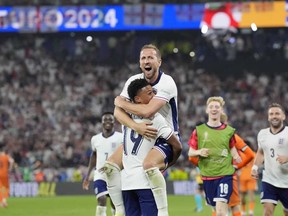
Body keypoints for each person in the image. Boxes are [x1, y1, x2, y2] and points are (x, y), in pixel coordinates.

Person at [102, 44, 182, 216]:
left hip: (164, 136)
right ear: (139, 63)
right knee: (109, 167)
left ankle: (163, 212)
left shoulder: (166, 82)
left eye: (151, 57)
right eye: (143, 58)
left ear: (159, 61)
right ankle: (119, 210)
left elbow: (147, 111)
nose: (147, 61)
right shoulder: (133, 81)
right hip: (139, 134)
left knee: (149, 164)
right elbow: (117, 112)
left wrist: (122, 102)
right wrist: (136, 126)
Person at [120, 78, 182, 216]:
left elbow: (118, 109)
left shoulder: (124, 118)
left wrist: (119, 101)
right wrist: (167, 164)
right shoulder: (155, 118)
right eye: (149, 93)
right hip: (145, 183)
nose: (154, 96)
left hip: (126, 184)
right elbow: (177, 146)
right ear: (138, 99)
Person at [189, 114, 255, 216]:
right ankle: (249, 211)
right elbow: (250, 154)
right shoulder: (232, 136)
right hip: (228, 175)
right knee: (234, 207)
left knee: (216, 208)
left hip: (210, 176)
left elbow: (191, 157)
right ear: (226, 123)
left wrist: (206, 167)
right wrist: (236, 167)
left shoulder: (205, 136)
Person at [188, 96, 242, 216]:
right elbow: (190, 152)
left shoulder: (229, 131)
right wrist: (199, 152)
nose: (214, 109)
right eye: (211, 107)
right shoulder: (199, 131)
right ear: (207, 110)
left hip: (225, 175)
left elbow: (232, 148)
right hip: (207, 176)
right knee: (215, 209)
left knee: (221, 212)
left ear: (221, 110)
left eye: (217, 107)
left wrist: (236, 156)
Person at [82, 112, 123, 216]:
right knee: (101, 198)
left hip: (115, 174)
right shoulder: (95, 139)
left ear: (114, 122)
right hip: (100, 175)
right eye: (105, 120)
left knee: (115, 203)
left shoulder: (120, 138)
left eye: (110, 120)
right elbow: (94, 156)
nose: (108, 122)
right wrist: (87, 176)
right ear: (102, 122)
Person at [251, 103, 288, 216]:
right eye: (271, 114)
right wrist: (255, 166)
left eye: (277, 113)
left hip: (286, 182)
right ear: (268, 117)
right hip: (269, 180)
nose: (274, 116)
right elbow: (261, 151)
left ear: (283, 116)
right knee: (267, 212)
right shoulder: (262, 134)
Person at [238, 139, 257, 216]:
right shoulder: (243, 155)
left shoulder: (253, 154)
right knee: (244, 196)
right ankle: (245, 211)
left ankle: (249, 212)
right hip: (243, 177)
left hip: (249, 177)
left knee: (249, 195)